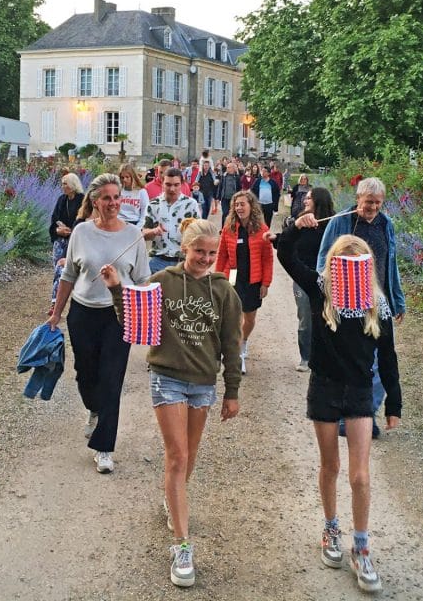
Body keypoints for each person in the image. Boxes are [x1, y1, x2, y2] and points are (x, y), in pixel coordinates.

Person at [100, 218, 242, 588]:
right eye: (199, 252)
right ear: (184, 247)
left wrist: (232, 391)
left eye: (212, 254)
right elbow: (133, 319)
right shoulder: (163, 282)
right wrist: (117, 289)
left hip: (203, 384)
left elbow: (232, 343)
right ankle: (182, 545)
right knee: (177, 455)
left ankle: (172, 496)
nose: (205, 259)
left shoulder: (224, 291)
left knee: (188, 457)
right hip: (167, 378)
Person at [275, 228, 402, 594]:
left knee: (360, 476)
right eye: (342, 263)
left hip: (360, 391)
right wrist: (300, 224)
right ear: (333, 266)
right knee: (330, 465)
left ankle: (361, 546)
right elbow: (286, 253)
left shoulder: (377, 304)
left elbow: (388, 357)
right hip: (325, 388)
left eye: (356, 263)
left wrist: (393, 402)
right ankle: (331, 528)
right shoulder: (320, 290)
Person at [46, 173, 151, 474]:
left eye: (117, 197)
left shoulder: (133, 235)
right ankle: (94, 409)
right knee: (85, 374)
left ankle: (104, 446)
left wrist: (148, 314)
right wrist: (56, 312)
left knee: (111, 378)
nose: (113, 203)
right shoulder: (81, 232)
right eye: (107, 198)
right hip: (83, 312)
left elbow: (143, 279)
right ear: (94, 201)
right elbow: (68, 276)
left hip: (119, 315)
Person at [298, 176, 406, 439]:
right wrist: (325, 293)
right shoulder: (341, 222)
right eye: (369, 202)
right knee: (352, 360)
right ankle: (348, 411)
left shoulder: (385, 224)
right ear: (358, 199)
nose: (373, 208)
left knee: (381, 361)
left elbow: (391, 264)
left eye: (378, 203)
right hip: (345, 299)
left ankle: (366, 412)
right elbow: (325, 257)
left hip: (375, 300)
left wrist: (397, 299)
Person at [276, 187, 335, 371]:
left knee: (326, 316)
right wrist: (276, 239)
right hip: (302, 277)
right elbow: (288, 243)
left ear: (319, 201)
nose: (304, 201)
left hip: (325, 278)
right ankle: (305, 357)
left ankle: (324, 354)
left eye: (309, 198)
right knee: (305, 318)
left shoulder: (331, 224)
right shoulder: (300, 221)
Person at [215, 190, 273, 374]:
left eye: (242, 204)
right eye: (236, 205)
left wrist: (266, 283)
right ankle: (237, 354)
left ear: (251, 206)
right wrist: (218, 279)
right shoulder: (229, 228)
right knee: (234, 317)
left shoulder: (262, 230)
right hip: (233, 277)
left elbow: (267, 258)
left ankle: (244, 341)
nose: (239, 208)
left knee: (249, 318)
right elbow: (222, 255)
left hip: (253, 279)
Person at [143, 168, 201, 273]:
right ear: (162, 183)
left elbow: (201, 233)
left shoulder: (191, 205)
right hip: (158, 259)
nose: (172, 189)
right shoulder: (153, 204)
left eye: (176, 185)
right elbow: (143, 234)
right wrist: (153, 231)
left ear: (182, 184)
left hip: (183, 260)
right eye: (168, 185)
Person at [48, 172, 85, 305]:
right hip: (61, 238)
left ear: (72, 184)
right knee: (58, 268)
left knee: (74, 269)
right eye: (62, 183)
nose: (63, 186)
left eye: (65, 183)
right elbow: (55, 219)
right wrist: (58, 230)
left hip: (76, 239)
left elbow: (83, 220)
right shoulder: (61, 200)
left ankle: (77, 297)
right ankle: (55, 300)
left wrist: (72, 231)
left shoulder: (82, 199)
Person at [250, 164, 281, 230]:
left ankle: (266, 233)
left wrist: (275, 206)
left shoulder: (273, 182)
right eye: (262, 171)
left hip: (269, 205)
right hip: (259, 204)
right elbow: (252, 191)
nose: (262, 173)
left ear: (268, 173)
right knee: (257, 220)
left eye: (264, 171)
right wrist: (254, 201)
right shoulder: (258, 181)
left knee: (267, 222)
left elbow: (277, 194)